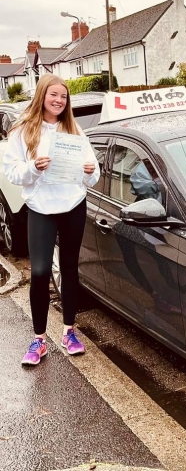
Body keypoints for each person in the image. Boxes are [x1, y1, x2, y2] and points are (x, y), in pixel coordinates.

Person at [3, 74, 100, 366]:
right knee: (41, 271)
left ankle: (69, 332)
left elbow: (94, 176)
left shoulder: (74, 130)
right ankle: (39, 339)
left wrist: (88, 171)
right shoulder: (22, 130)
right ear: (42, 95)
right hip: (41, 207)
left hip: (72, 204)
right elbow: (13, 172)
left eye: (63, 96)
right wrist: (33, 167)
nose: (59, 100)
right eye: (53, 95)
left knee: (69, 268)